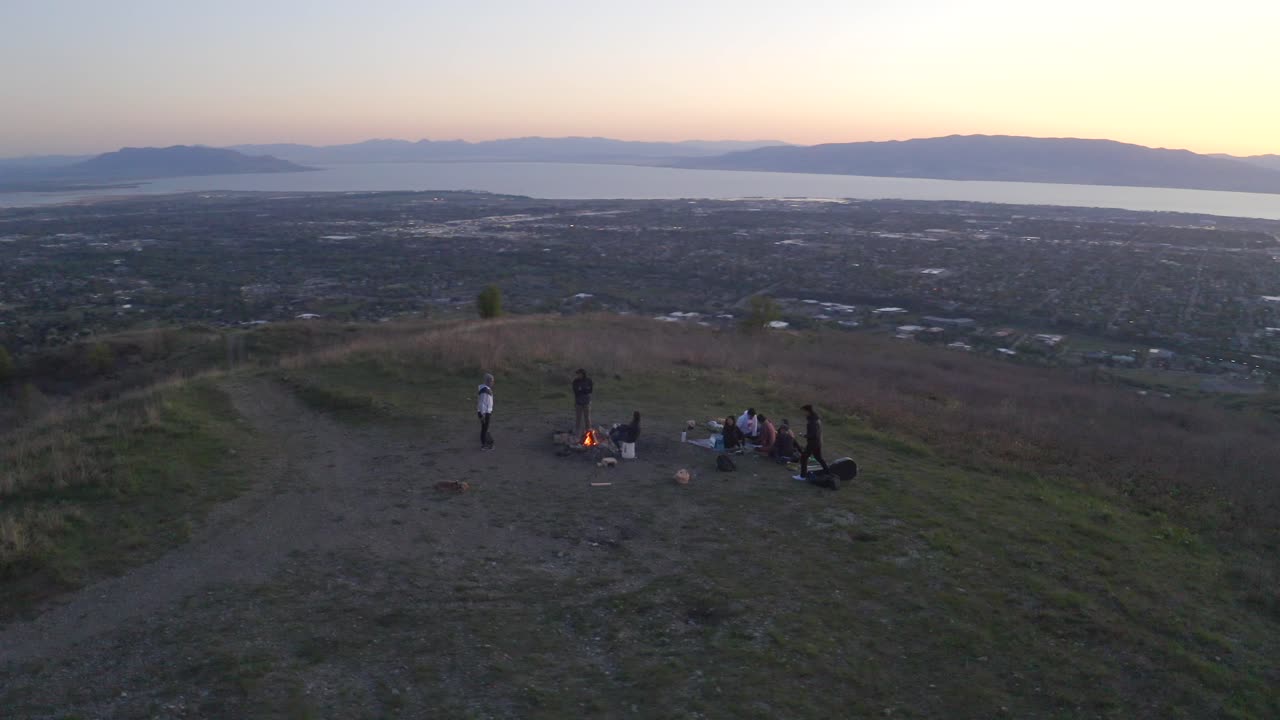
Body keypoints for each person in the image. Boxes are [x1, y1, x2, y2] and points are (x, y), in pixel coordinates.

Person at [795, 404, 831, 479]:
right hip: (817, 442)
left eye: (803, 411)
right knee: (818, 457)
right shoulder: (816, 419)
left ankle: (802, 476)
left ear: (807, 411)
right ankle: (828, 471)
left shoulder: (812, 421)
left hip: (813, 442)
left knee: (804, 457)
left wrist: (804, 435)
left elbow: (813, 434)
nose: (802, 413)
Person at [572, 368, 594, 435]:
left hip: (587, 401)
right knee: (578, 417)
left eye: (579, 374)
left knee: (587, 417)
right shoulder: (575, 381)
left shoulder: (589, 380)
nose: (578, 375)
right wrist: (584, 389)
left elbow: (590, 390)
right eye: (577, 374)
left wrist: (581, 389)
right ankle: (577, 431)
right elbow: (576, 391)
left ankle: (588, 431)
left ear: (583, 374)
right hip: (578, 401)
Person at [476, 373, 495, 450]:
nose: (493, 383)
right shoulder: (484, 391)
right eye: (492, 381)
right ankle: (484, 445)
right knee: (484, 429)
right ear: (488, 381)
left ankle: (487, 443)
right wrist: (482, 414)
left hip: (486, 412)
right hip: (484, 413)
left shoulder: (486, 389)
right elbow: (482, 403)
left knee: (485, 428)